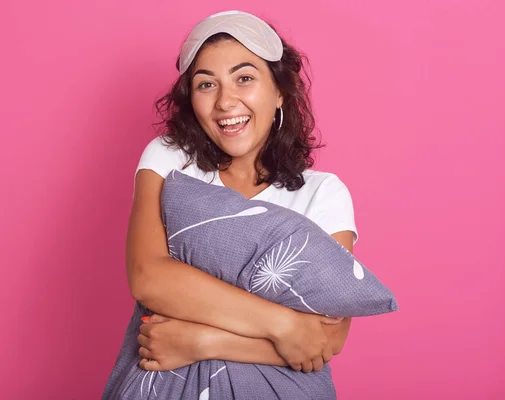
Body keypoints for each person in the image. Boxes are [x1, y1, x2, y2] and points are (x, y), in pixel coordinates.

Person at [103, 10, 359, 399]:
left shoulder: (323, 194)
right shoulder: (171, 160)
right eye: (207, 85)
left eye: (245, 78)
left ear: (279, 93)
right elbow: (149, 278)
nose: (225, 101)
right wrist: (285, 325)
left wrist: (202, 341)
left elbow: (326, 339)